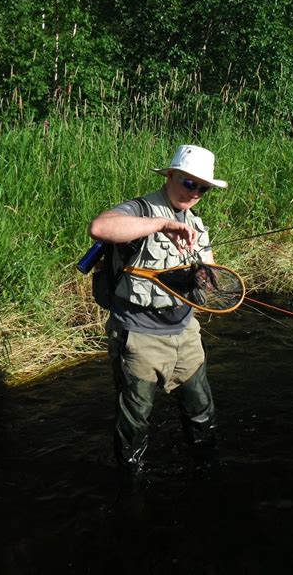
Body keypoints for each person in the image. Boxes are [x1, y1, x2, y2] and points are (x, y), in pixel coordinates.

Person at [89, 145, 228, 475]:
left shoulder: (196, 222)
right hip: (140, 336)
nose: (194, 192)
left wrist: (205, 276)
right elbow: (100, 228)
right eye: (187, 183)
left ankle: (208, 471)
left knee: (202, 414)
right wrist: (159, 225)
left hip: (186, 332)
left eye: (202, 187)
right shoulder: (138, 209)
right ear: (169, 175)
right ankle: (129, 483)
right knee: (135, 422)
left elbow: (209, 274)